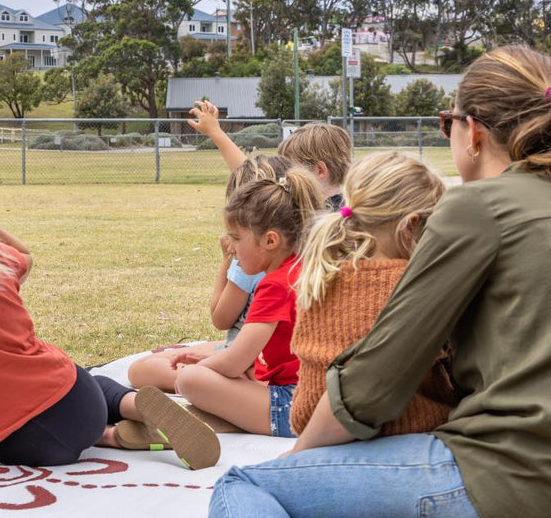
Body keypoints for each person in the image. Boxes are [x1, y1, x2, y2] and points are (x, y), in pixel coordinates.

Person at [210, 46, 551, 517]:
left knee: (244, 485)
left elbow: (376, 380)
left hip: (510, 472)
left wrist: (299, 460)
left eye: (445, 122)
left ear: (471, 131)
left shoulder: (478, 208)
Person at [0, 159, 220, 486]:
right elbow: (25, 256)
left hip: (19, 443)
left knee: (42, 423)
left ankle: (111, 437)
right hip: (76, 400)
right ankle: (134, 408)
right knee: (95, 383)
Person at [290, 151, 455, 436]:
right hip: (400, 432)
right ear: (411, 226)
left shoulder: (322, 272)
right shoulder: (412, 284)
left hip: (311, 425)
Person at [167, 169, 323, 437]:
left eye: (237, 238)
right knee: (233, 373)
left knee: (190, 378)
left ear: (270, 240)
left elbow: (234, 364)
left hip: (297, 407)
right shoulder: (300, 269)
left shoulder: (275, 285)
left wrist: (202, 369)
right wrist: (216, 361)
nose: (230, 247)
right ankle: (232, 416)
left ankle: (226, 418)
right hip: (323, 398)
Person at [127, 155, 291, 393]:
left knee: (142, 370)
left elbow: (220, 319)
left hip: (254, 368)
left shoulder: (259, 271)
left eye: (236, 235)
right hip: (255, 361)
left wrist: (227, 261)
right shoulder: (295, 264)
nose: (231, 241)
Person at [277, 122, 352, 209]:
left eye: (291, 170)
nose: (285, 178)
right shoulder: (352, 205)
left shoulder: (326, 215)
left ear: (320, 170)